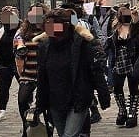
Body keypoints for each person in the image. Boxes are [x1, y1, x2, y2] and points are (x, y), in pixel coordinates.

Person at [31, 9, 110, 137]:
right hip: (55, 102)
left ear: (66, 26)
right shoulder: (44, 46)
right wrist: (39, 103)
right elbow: (42, 77)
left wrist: (103, 95)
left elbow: (95, 70)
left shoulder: (82, 44)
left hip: (78, 99)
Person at [104, 6, 139, 128]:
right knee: (117, 87)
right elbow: (108, 43)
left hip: (132, 61)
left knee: (133, 87)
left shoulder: (136, 27)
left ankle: (133, 113)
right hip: (118, 61)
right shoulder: (114, 28)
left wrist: (135, 19)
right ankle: (122, 111)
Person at [15, 4, 49, 136]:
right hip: (28, 74)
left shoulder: (49, 29)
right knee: (22, 101)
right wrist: (19, 51)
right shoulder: (23, 32)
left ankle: (47, 127)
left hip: (45, 74)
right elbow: (18, 52)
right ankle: (28, 128)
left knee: (46, 104)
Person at [0, 6, 20, 122]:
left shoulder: (22, 29)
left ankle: (28, 106)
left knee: (24, 88)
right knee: (3, 88)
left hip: (18, 63)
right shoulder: (1, 30)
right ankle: (2, 110)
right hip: (4, 64)